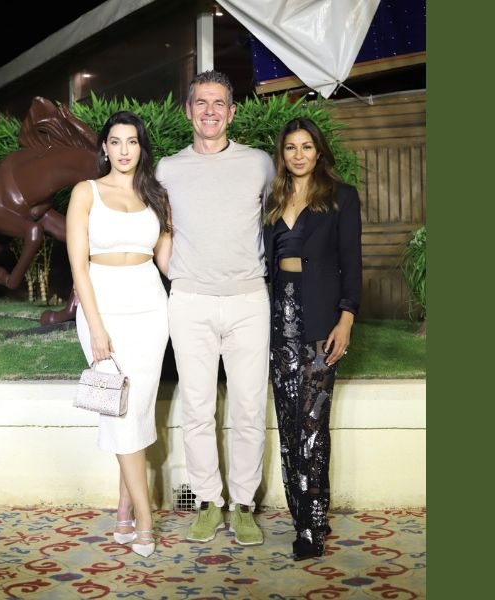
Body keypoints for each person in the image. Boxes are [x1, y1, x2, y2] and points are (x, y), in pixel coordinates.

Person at [155, 70, 274, 546]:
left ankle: (243, 505)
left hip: (248, 299)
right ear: (188, 110)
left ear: (232, 111)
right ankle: (208, 501)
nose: (210, 111)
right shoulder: (167, 169)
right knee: (198, 407)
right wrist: (175, 274)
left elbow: (275, 220)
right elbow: (161, 227)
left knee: (248, 406)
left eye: (219, 103)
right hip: (190, 301)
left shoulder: (259, 164)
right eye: (201, 102)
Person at [67, 111, 171, 558]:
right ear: (104, 148)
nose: (124, 150)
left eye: (132, 141)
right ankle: (145, 518)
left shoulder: (157, 196)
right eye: (116, 141)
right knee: (120, 410)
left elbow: (167, 262)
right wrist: (96, 326)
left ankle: (125, 507)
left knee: (136, 410)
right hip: (103, 307)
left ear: (141, 148)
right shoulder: (86, 192)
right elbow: (78, 265)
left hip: (151, 308)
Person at [263, 118, 363, 561]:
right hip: (278, 318)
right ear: (282, 155)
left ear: (318, 152)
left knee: (312, 423)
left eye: (306, 147)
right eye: (291, 148)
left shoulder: (341, 197)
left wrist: (346, 319)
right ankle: (302, 514)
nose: (299, 155)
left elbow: (352, 263)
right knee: (289, 423)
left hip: (322, 319)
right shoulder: (273, 198)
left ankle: (312, 525)